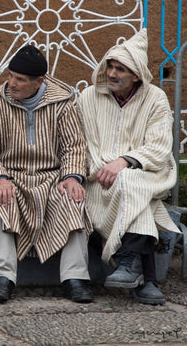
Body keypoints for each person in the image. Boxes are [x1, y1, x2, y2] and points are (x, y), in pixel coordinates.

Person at [0, 45, 93, 303]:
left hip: (51, 178)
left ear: (39, 82)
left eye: (20, 79)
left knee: (74, 198)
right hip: (11, 176)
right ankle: (1, 277)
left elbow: (74, 145)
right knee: (1, 199)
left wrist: (72, 177)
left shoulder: (62, 103)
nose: (12, 83)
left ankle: (76, 278)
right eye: (10, 76)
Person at [76, 28, 180, 305]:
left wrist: (123, 162)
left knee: (130, 182)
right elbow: (81, 144)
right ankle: (145, 279)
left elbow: (159, 146)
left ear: (136, 75)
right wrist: (103, 168)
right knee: (140, 201)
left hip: (147, 172)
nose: (111, 73)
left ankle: (127, 261)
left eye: (120, 69)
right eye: (110, 66)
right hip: (98, 177)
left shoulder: (155, 98)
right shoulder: (88, 97)